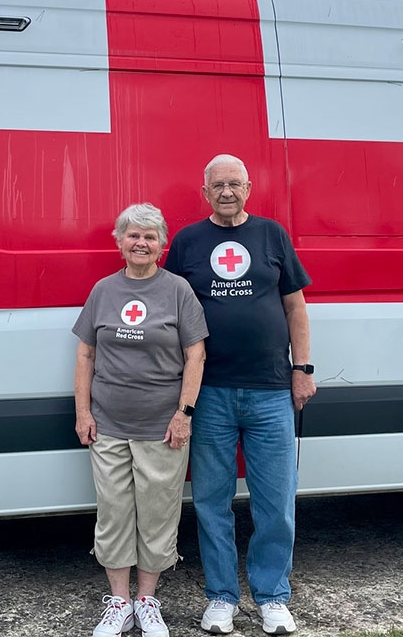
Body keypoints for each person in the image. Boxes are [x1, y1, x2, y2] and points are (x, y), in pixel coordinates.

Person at [165, 154, 316, 635]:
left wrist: (302, 368)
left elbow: (295, 307)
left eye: (234, 183)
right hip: (210, 393)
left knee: (276, 500)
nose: (226, 192)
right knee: (211, 500)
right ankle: (221, 598)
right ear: (204, 192)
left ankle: (273, 597)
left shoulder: (271, 235)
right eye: (217, 185)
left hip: (272, 391)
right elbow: (171, 312)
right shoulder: (188, 241)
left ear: (249, 188)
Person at [73, 202, 208, 637]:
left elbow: (195, 355)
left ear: (162, 244)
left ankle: (148, 602)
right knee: (113, 514)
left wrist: (184, 413)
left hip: (162, 428)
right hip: (108, 425)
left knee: (156, 514)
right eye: (133, 235)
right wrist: (82, 411)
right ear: (119, 242)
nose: (141, 243)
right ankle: (120, 603)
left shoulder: (178, 291)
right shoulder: (103, 291)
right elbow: (86, 354)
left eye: (150, 236)